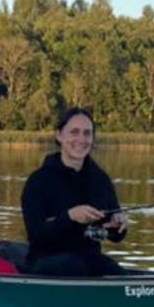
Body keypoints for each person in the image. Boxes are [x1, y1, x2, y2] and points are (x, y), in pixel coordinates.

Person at [20, 107, 128, 277]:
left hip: (90, 259)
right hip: (44, 261)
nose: (81, 139)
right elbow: (36, 235)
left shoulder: (101, 179)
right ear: (59, 135)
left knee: (116, 273)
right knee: (73, 266)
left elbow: (114, 236)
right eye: (74, 132)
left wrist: (118, 225)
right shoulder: (38, 181)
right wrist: (70, 217)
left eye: (87, 133)